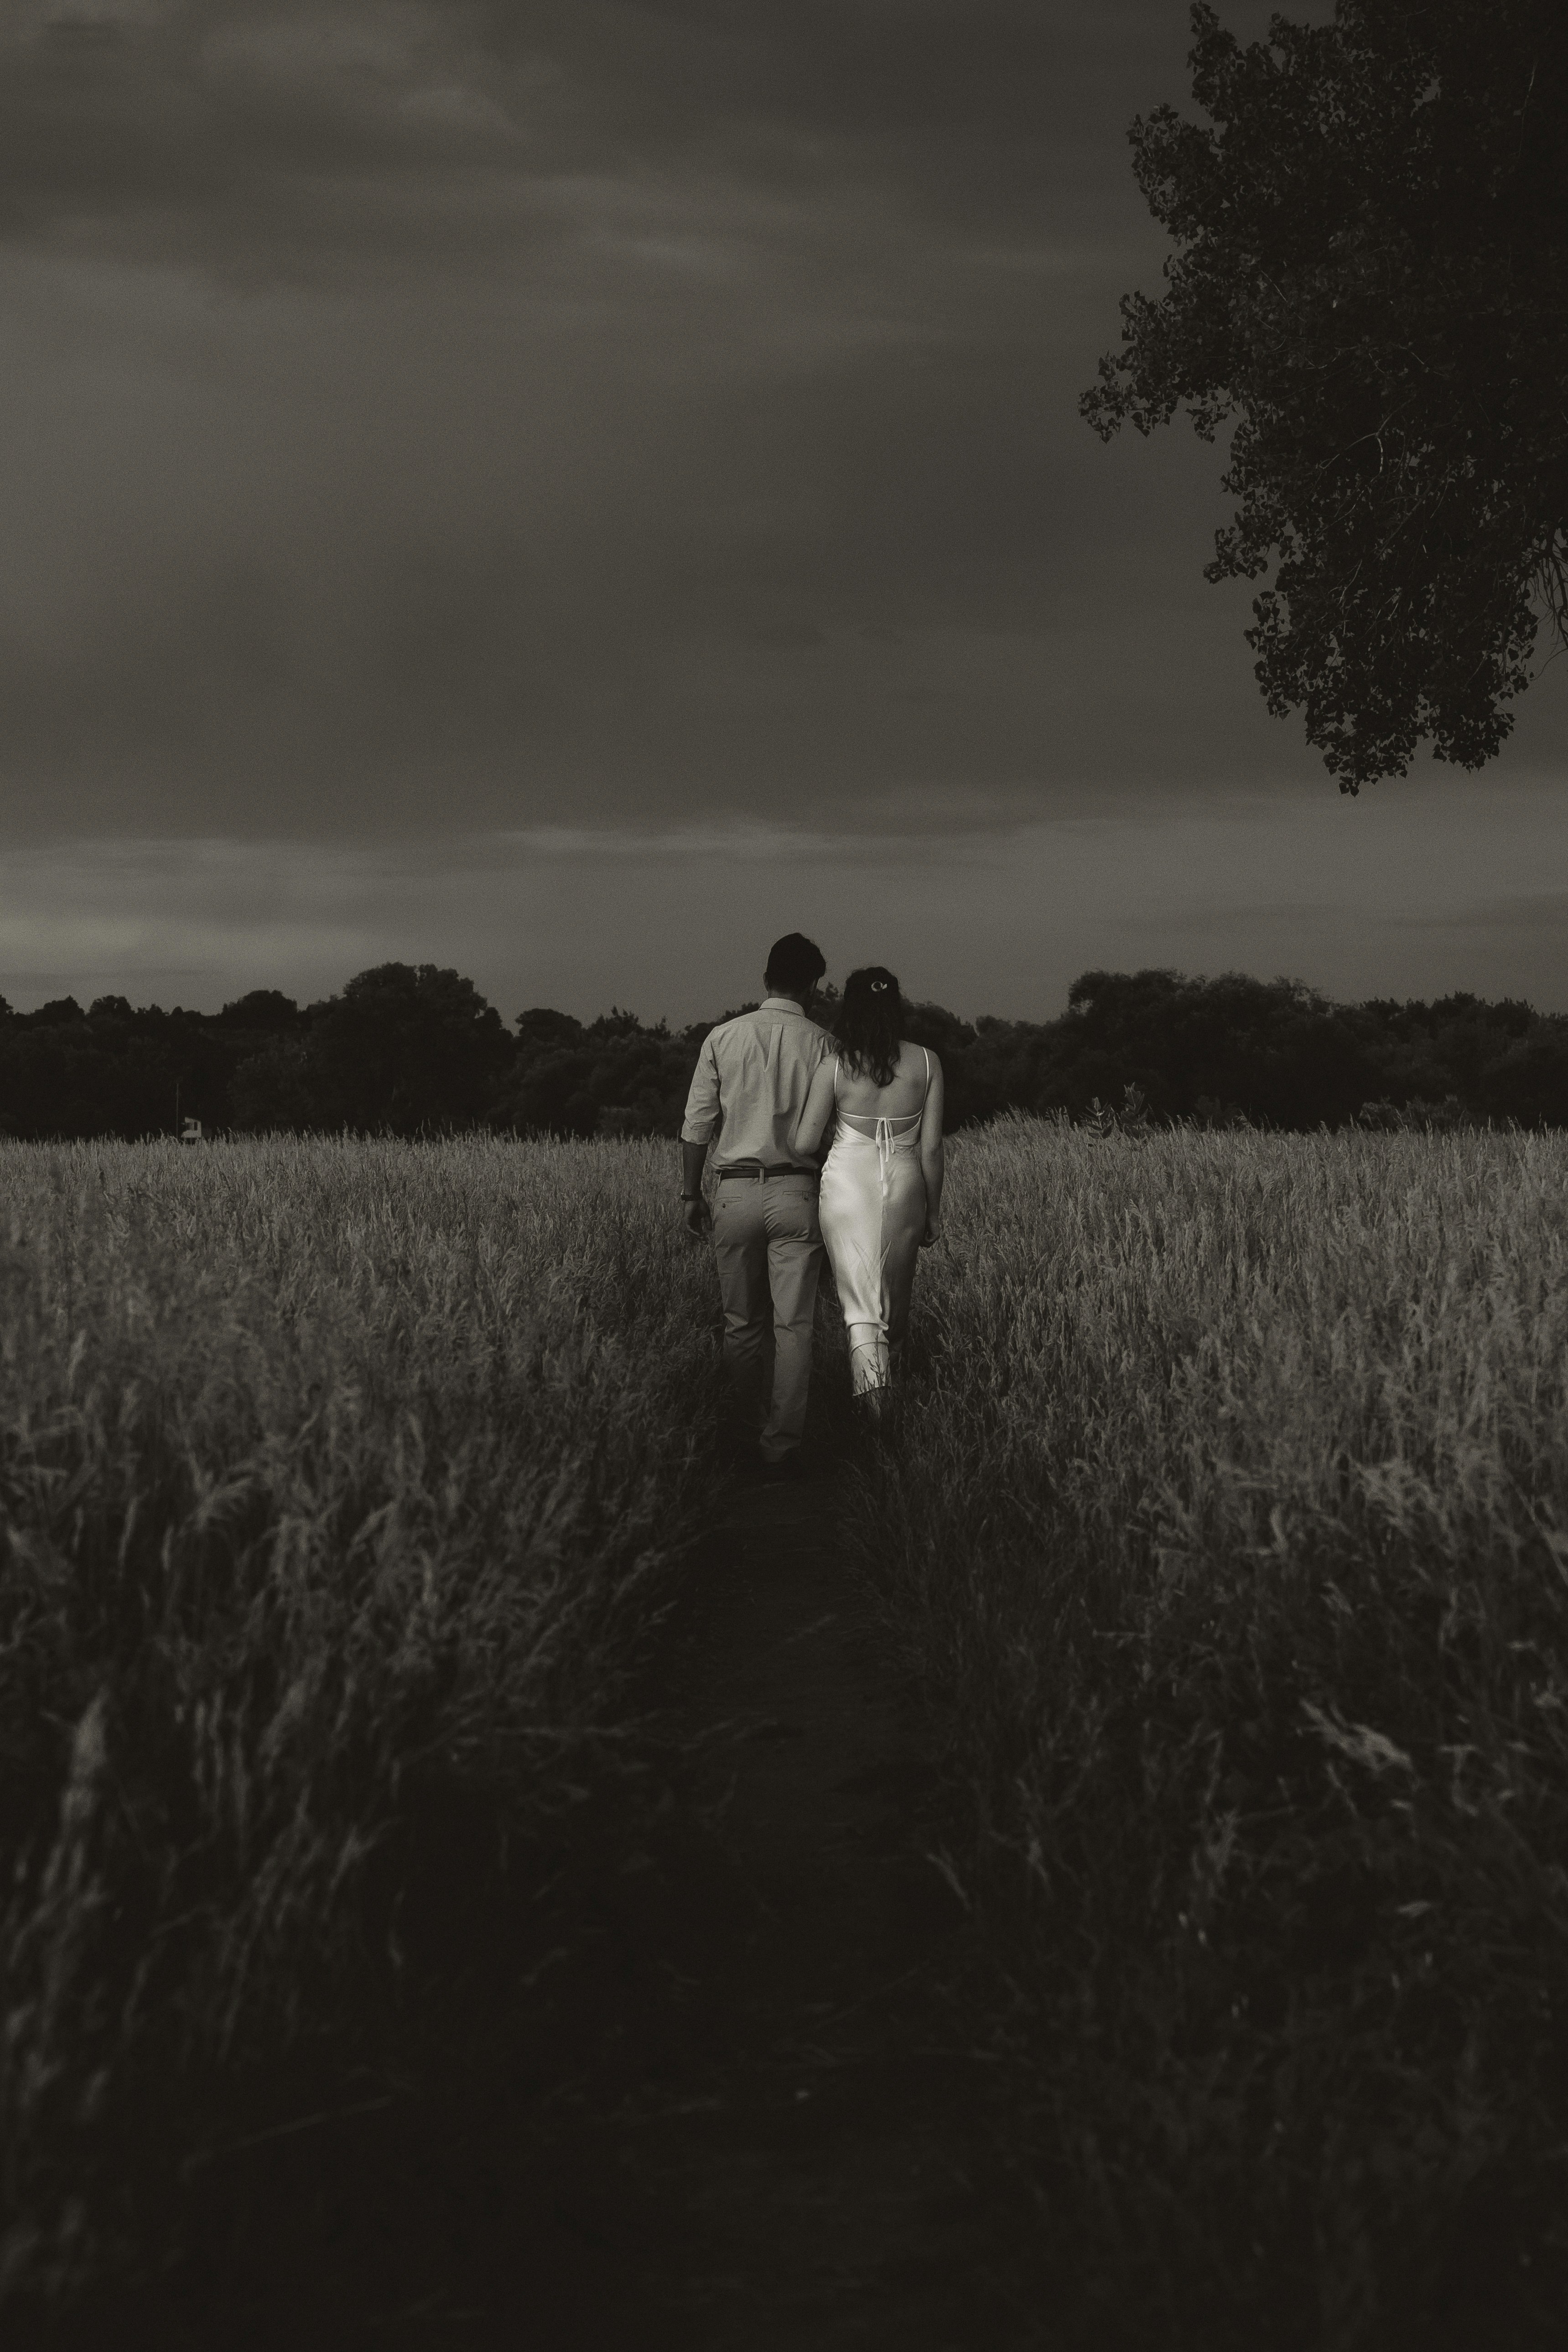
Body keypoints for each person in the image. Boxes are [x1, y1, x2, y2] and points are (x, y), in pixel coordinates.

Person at [680, 933, 831, 1480]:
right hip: (798, 1192)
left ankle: (744, 1432)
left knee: (742, 1322)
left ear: (765, 976)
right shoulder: (824, 1044)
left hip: (735, 1190)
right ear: (813, 984)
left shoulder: (723, 1037)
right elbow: (833, 1132)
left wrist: (691, 1193)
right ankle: (782, 1443)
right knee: (795, 1325)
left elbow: (697, 1125)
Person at [791, 966, 944, 1417]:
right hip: (905, 1186)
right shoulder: (928, 1062)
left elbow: (803, 1142)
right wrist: (935, 1212)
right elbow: (931, 1148)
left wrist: (840, 1141)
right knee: (895, 1304)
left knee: (861, 1308)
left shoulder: (835, 1066)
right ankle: (885, 1406)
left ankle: (875, 1420)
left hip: (846, 1188)